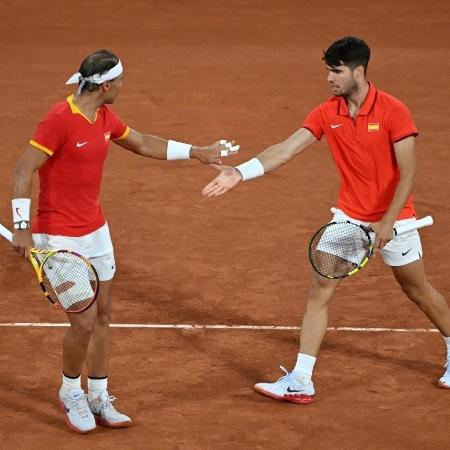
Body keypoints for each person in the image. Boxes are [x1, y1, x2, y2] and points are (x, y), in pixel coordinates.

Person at [202, 36, 450, 403]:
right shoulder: (326, 113)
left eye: (336, 71)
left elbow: (409, 174)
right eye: (328, 70)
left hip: (396, 219)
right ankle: (302, 379)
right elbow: (285, 149)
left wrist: (387, 222)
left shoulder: (394, 111)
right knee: (321, 285)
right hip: (349, 219)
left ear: (358, 71)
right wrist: (239, 172)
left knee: (416, 289)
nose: (329, 78)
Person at [12, 49, 239, 433]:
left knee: (103, 315)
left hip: (97, 232)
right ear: (103, 86)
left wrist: (196, 152)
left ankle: (99, 395)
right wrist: (21, 225)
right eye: (119, 82)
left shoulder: (103, 116)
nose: (122, 86)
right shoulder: (58, 120)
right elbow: (23, 170)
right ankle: (70, 391)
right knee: (82, 322)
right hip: (61, 237)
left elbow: (142, 143)